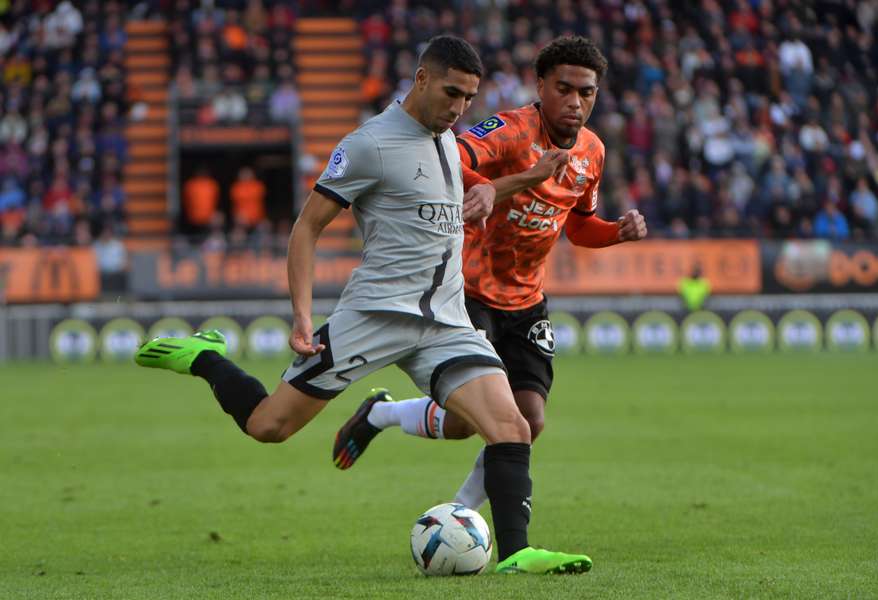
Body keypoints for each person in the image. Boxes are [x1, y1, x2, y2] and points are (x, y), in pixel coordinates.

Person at [134, 35, 591, 575]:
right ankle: (206, 356)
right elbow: (307, 229)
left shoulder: (447, 140)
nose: (459, 109)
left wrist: (519, 181)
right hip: (374, 317)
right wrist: (303, 316)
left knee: (513, 427)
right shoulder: (371, 143)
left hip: (446, 322)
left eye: (469, 98)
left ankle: (517, 554)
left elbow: (463, 202)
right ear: (421, 79)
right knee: (268, 427)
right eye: (451, 94)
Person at [332, 36, 648, 512]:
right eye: (564, 89)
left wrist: (615, 233)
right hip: (469, 292)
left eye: (587, 92)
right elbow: (451, 158)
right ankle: (388, 419)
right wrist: (488, 189)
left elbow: (580, 228)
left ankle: (456, 511)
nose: (575, 102)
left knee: (531, 419)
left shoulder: (592, 153)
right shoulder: (512, 131)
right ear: (540, 86)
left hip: (526, 302)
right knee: (469, 420)